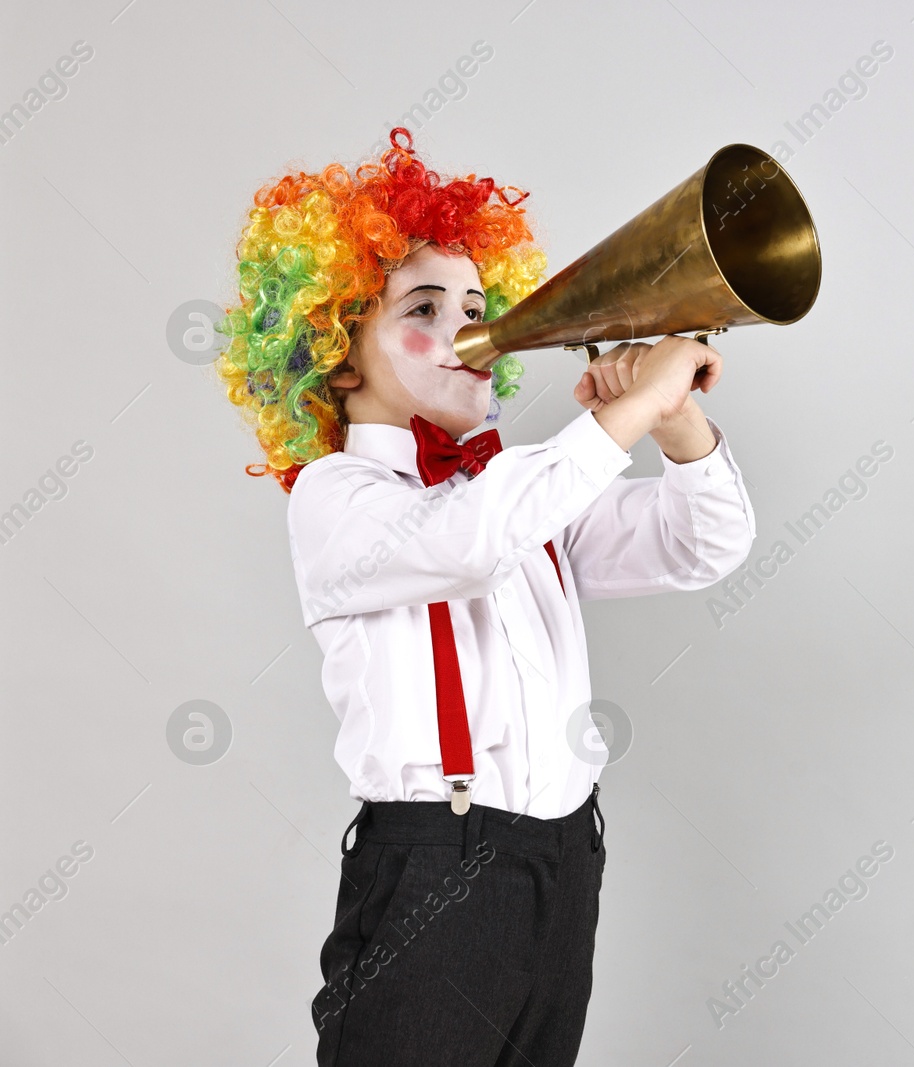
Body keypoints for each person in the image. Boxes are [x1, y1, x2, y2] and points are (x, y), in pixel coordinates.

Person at [214, 127, 756, 1065]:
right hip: (433, 874)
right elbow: (470, 542)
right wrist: (619, 409)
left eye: (479, 302)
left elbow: (704, 541)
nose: (470, 329)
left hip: (562, 868)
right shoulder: (338, 499)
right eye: (425, 307)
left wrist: (675, 413)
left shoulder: (520, 494)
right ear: (339, 356)